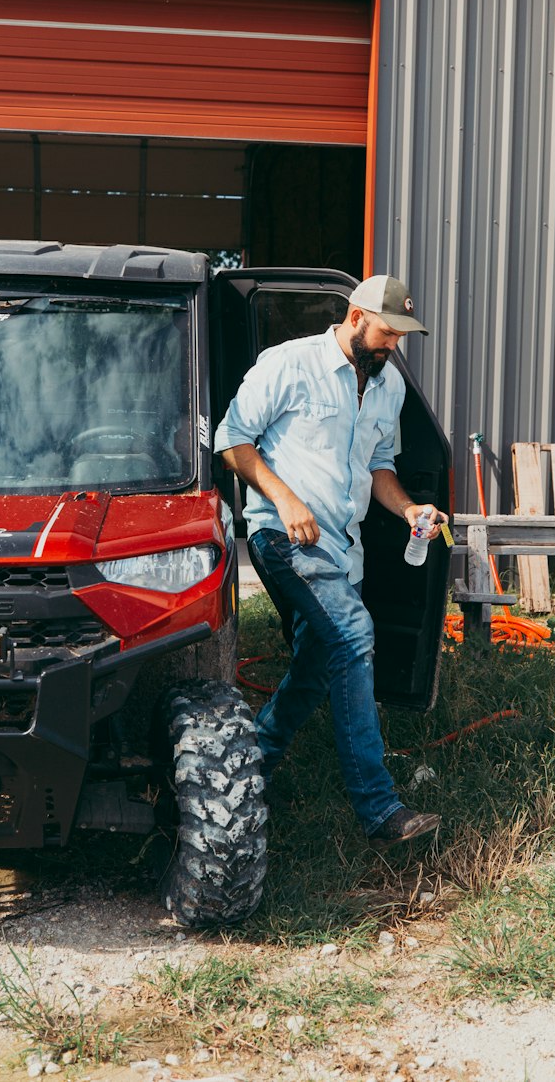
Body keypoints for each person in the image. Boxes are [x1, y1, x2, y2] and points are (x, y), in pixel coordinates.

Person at [214, 275, 448, 849]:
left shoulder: (387, 385)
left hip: (345, 547)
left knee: (319, 666)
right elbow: (231, 440)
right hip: (283, 535)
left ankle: (246, 773)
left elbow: (380, 468)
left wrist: (410, 506)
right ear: (354, 316)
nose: (392, 345)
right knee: (353, 634)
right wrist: (285, 497)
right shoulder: (289, 364)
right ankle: (378, 809)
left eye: (401, 336)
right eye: (386, 332)